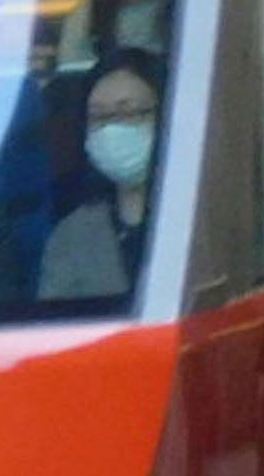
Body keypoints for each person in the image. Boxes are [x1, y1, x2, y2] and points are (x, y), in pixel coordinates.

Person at [39, 51, 168, 304]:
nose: (111, 129)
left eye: (129, 113)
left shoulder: (201, 221)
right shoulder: (73, 235)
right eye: (99, 117)